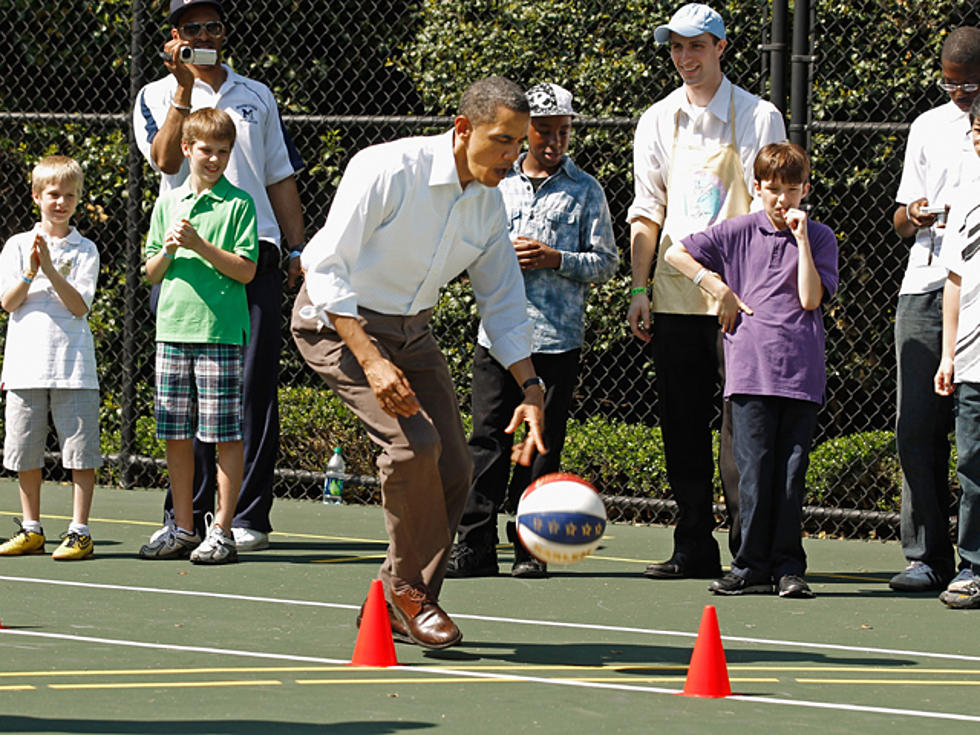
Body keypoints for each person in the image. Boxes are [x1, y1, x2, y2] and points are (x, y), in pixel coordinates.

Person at [291, 76, 546, 649]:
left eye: (519, 144)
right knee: (412, 447)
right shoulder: (386, 168)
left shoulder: (487, 205)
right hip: (337, 322)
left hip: (412, 332)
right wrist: (372, 361)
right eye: (503, 141)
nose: (513, 156)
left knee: (456, 466)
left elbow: (503, 299)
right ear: (463, 130)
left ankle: (395, 601)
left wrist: (531, 387)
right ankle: (407, 593)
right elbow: (324, 264)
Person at [133, 0, 306, 551]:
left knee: (250, 390)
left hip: (251, 251)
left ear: (224, 32)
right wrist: (181, 88)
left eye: (212, 26)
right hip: (182, 263)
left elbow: (279, 175)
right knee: (181, 402)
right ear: (175, 36)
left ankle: (244, 518)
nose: (204, 35)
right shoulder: (154, 95)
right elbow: (164, 162)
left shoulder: (257, 95)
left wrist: (297, 247)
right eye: (192, 28)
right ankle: (185, 518)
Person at [626, 3, 786, 579]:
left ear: (721, 47)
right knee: (681, 424)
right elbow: (648, 211)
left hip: (740, 302)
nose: (685, 58)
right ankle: (693, 544)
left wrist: (750, 292)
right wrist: (639, 287)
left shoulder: (759, 115)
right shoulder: (656, 120)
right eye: (675, 47)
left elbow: (772, 206)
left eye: (696, 46)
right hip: (673, 294)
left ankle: (750, 552)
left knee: (742, 426)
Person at [446, 83, 618, 579]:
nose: (554, 141)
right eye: (544, 131)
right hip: (497, 337)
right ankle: (473, 545)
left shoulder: (585, 189)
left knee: (540, 446)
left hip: (556, 338)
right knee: (487, 441)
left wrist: (555, 259)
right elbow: (466, 245)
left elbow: (605, 262)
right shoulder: (494, 182)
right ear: (525, 134)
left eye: (564, 132)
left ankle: (530, 546)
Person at [665, 142, 839, 598]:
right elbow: (675, 253)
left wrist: (801, 240)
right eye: (773, 190)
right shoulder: (737, 231)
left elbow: (810, 299)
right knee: (753, 474)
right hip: (749, 373)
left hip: (800, 376)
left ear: (805, 190)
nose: (782, 200)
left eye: (792, 190)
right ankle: (749, 564)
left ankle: (788, 568)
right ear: (758, 189)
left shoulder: (819, 238)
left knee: (789, 475)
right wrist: (716, 285)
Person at [138, 108, 258, 565]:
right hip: (171, 331)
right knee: (175, 433)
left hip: (220, 333)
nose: (214, 159)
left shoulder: (239, 204)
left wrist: (199, 246)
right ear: (186, 149)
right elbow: (150, 272)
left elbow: (247, 270)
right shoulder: (167, 202)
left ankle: (222, 530)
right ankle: (184, 527)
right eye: (206, 150)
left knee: (223, 434)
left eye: (223, 152)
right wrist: (168, 250)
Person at [889, 26, 980, 593]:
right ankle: (927, 555)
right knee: (916, 427)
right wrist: (915, 214)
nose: (956, 95)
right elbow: (899, 217)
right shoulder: (928, 126)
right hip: (927, 285)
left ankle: (974, 562)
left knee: (975, 437)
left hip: (976, 292)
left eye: (967, 85)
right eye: (948, 84)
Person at [0, 155, 102, 561]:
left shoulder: (86, 249)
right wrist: (29, 271)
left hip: (74, 368)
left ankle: (80, 531)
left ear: (78, 199)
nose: (61, 202)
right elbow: (8, 303)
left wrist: (51, 272)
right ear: (37, 196)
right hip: (25, 367)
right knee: (25, 450)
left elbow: (80, 307)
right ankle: (32, 528)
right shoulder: (15, 245)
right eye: (53, 195)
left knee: (80, 452)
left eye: (70, 195)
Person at [931, 94, 980, 610]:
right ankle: (973, 567)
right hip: (971, 360)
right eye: (975, 131)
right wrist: (948, 354)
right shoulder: (966, 196)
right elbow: (954, 281)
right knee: (973, 467)